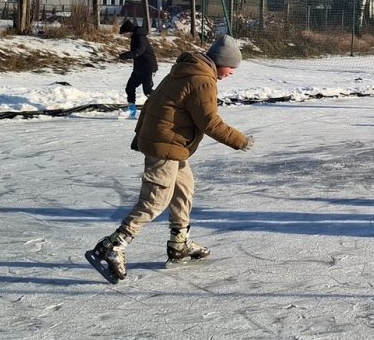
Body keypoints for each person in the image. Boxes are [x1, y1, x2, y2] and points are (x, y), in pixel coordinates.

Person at [87, 35, 254, 282]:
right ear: (221, 62)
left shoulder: (186, 70)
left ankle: (179, 244)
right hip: (166, 145)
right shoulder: (202, 79)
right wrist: (239, 140)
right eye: (232, 67)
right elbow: (209, 122)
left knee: (183, 189)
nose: (232, 73)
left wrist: (140, 135)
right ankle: (113, 245)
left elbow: (154, 102)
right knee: (155, 200)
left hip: (170, 144)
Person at [118, 19, 158, 119]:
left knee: (147, 90)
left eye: (124, 34)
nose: (124, 37)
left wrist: (126, 55)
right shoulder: (134, 37)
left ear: (129, 31)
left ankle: (161, 105)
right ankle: (131, 110)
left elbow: (138, 51)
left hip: (148, 68)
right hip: (139, 68)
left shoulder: (140, 37)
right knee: (130, 87)